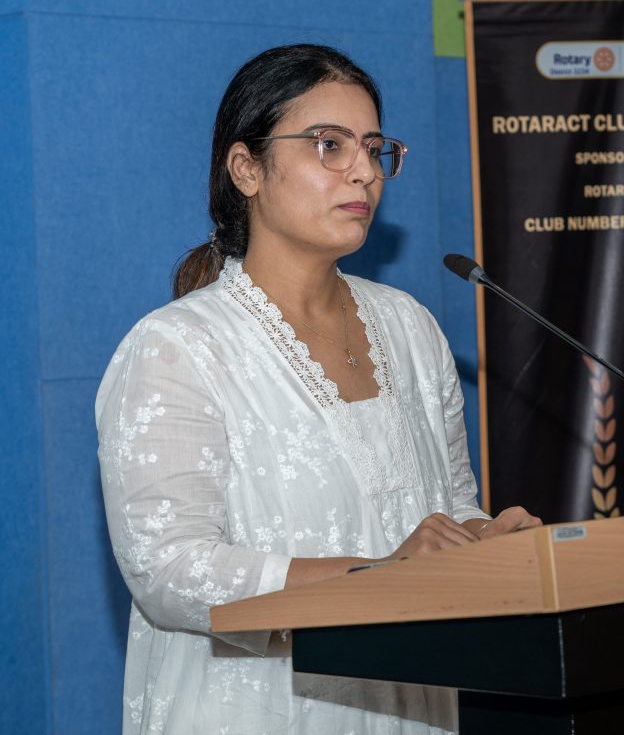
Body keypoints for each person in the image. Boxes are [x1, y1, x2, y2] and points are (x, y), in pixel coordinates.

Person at [96, 43, 540, 735]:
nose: (364, 170)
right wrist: (376, 576)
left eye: (373, 148)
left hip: (410, 696)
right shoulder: (178, 347)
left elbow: (449, 506)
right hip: (257, 709)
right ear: (246, 168)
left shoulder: (411, 327)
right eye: (329, 145)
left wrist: (488, 537)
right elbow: (170, 573)